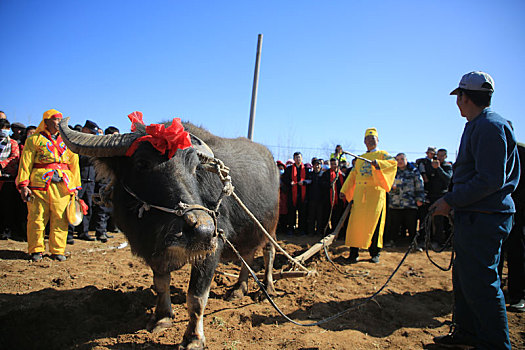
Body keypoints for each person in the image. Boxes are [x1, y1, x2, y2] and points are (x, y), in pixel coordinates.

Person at [431, 71, 520, 349]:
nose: (457, 102)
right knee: (465, 278)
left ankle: (495, 344)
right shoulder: (477, 124)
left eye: (458, 96)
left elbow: (490, 180)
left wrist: (450, 201)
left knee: (481, 282)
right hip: (474, 216)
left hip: (485, 217)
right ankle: (467, 333)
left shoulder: (489, 126)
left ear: (464, 97)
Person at [16, 109, 81, 261]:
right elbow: (25, 163)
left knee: (61, 218)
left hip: (63, 185)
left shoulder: (68, 142)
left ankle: (58, 250)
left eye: (60, 120)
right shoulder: (34, 140)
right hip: (39, 185)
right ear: (46, 122)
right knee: (36, 218)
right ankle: (36, 250)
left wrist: (76, 187)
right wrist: (23, 184)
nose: (59, 123)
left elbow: (74, 164)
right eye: (56, 120)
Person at [340, 128, 397, 263]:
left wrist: (379, 164)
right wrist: (344, 190)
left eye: (373, 139)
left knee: (375, 224)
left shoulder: (383, 155)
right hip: (360, 196)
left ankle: (375, 253)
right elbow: (353, 175)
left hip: (375, 195)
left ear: (378, 141)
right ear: (364, 141)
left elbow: (393, 163)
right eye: (368, 139)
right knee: (355, 224)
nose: (370, 141)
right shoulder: (360, 159)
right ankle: (354, 253)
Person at [498, 142, 525, 313]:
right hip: (490, 213)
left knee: (518, 253)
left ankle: (518, 295)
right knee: (494, 254)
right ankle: (495, 289)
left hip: (519, 213)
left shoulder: (521, 152)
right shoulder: (485, 148)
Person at [68, 120, 100, 242]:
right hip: (77, 180)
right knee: (74, 207)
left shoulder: (92, 144)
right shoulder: (76, 142)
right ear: (85, 130)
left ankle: (83, 232)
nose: (92, 135)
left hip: (90, 180)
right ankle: (69, 233)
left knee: (87, 207)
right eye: (91, 132)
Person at [385, 153, 425, 246]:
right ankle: (392, 242)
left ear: (406, 160)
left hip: (410, 203)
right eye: (397, 159)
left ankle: (413, 243)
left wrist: (420, 199)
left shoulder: (414, 171)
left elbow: (419, 185)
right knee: (394, 225)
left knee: (411, 226)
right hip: (395, 203)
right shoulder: (393, 172)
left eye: (402, 159)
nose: (399, 161)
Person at [427, 148, 453, 246]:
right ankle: (432, 239)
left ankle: (442, 241)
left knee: (442, 221)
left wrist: (438, 168)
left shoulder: (447, 166)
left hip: (443, 196)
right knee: (432, 220)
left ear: (445, 156)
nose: (440, 157)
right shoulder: (431, 165)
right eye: (438, 155)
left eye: (442, 155)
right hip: (432, 195)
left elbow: (448, 179)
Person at [0, 119, 21, 239]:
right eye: (2, 128)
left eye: (6, 129)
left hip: (7, 178)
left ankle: (6, 231)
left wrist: (1, 165)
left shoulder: (12, 143)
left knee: (7, 206)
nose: (4, 131)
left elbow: (15, 157)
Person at [283, 152, 310, 235]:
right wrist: (289, 182)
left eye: (299, 157)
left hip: (303, 194)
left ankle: (301, 230)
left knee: (302, 213)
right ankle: (291, 229)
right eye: (296, 157)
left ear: (301, 158)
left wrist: (304, 182)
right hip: (292, 194)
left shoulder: (305, 169)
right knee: (291, 213)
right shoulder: (289, 169)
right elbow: (284, 179)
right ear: (294, 159)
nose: (298, 159)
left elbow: (310, 180)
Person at [322, 157, 346, 234]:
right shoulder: (326, 174)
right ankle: (327, 231)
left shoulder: (342, 175)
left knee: (337, 216)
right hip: (328, 199)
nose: (333, 165)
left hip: (339, 200)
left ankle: (337, 232)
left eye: (335, 164)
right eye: (331, 164)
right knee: (327, 216)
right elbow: (323, 185)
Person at [306, 159, 326, 235]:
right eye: (315, 165)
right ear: (313, 166)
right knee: (311, 216)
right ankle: (310, 232)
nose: (317, 166)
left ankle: (319, 232)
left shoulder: (323, 175)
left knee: (320, 217)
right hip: (311, 199)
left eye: (318, 164)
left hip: (321, 200)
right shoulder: (310, 175)